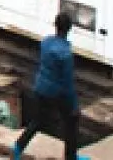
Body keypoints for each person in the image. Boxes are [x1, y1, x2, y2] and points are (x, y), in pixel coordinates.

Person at [13, 12, 79, 160]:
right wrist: (74, 105)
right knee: (71, 121)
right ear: (69, 29)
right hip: (57, 93)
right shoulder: (66, 54)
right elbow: (68, 83)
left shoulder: (46, 42)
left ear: (55, 25)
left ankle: (18, 147)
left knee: (38, 121)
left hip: (40, 87)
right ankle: (71, 157)